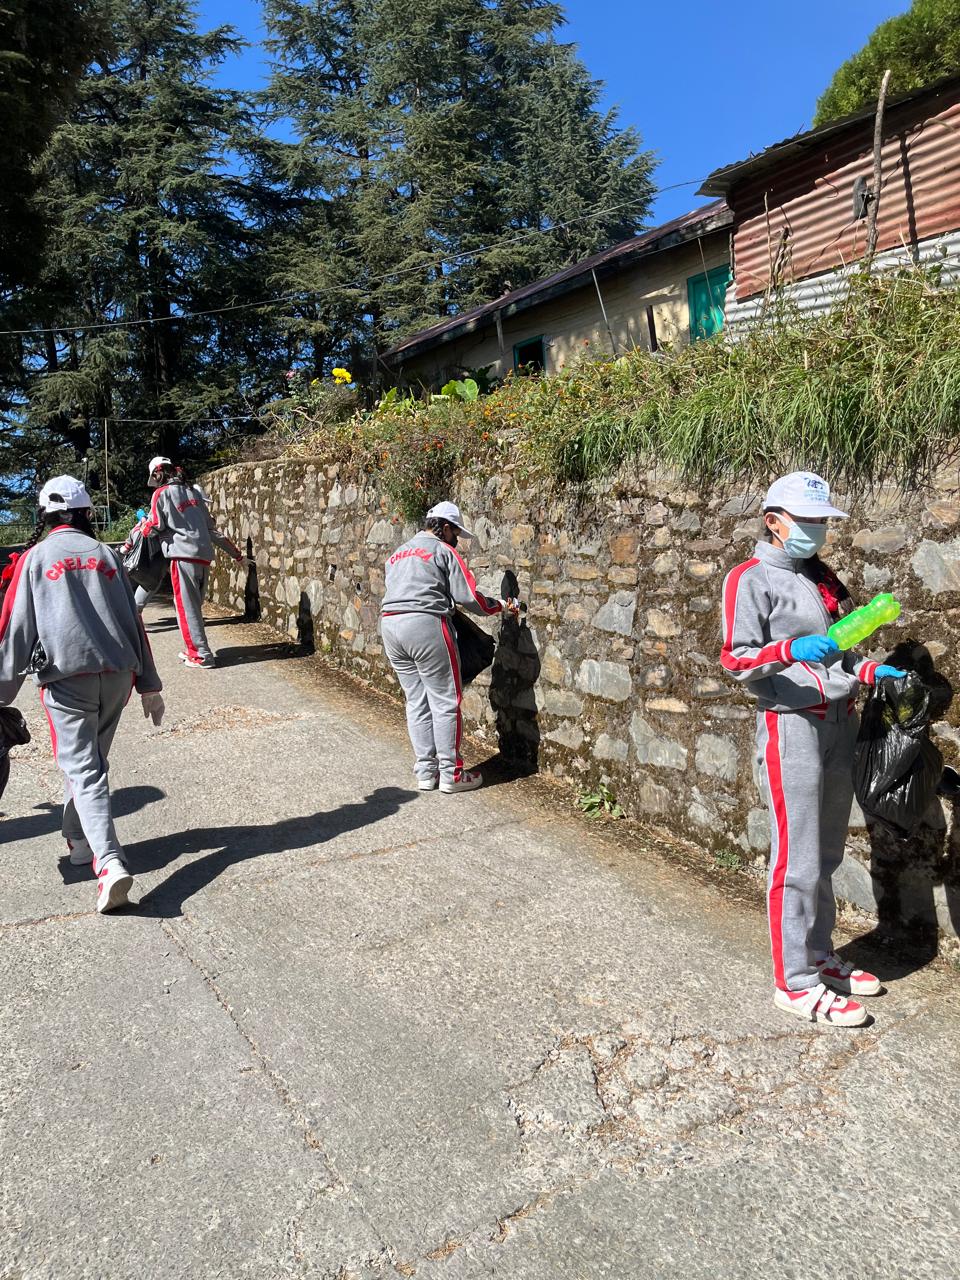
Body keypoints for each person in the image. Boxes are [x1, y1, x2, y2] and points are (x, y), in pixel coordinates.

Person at [720, 471, 905, 1028]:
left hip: (839, 723)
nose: (819, 529)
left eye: (823, 520)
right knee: (796, 858)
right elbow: (735, 660)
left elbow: (838, 651)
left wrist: (867, 670)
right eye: (809, 520)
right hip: (791, 725)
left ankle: (818, 954)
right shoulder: (749, 579)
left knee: (825, 853)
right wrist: (789, 649)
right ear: (773, 522)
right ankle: (794, 982)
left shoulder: (820, 577)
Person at [0, 476, 164, 912]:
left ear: (45, 516)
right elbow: (133, 621)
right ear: (87, 514)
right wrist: (149, 684)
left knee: (84, 770)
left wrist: (2, 691)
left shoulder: (35, 559)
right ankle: (77, 840)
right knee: (91, 765)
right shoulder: (106, 555)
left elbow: (16, 630)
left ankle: (108, 862)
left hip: (67, 677)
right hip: (118, 674)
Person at [381, 501, 519, 793]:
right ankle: (452, 775)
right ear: (444, 528)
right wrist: (500, 606)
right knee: (445, 700)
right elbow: (467, 597)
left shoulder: (396, 554)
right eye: (456, 533)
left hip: (390, 626)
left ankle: (426, 772)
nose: (457, 540)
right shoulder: (443, 550)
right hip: (425, 624)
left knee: (416, 700)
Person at [133, 456, 244, 668]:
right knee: (194, 606)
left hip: (182, 556)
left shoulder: (161, 494)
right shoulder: (193, 491)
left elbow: (154, 527)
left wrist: (143, 522)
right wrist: (237, 555)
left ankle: (200, 655)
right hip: (203, 555)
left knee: (186, 608)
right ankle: (194, 649)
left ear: (157, 473)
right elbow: (211, 528)